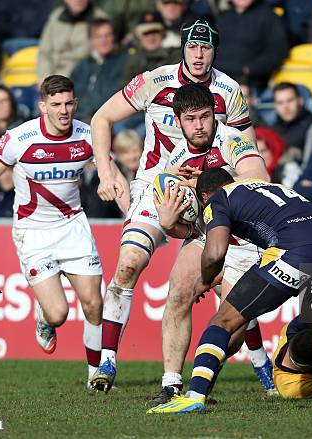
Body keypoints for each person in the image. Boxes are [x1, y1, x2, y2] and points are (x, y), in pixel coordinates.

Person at [89, 20, 256, 400]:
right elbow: (101, 118)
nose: (199, 54)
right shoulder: (154, 80)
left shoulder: (229, 91)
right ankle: (107, 362)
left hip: (210, 193)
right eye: (193, 47)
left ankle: (258, 361)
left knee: (227, 284)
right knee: (129, 262)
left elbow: (248, 152)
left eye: (206, 47)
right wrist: (105, 169)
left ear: (215, 50)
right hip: (155, 187)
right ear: (182, 48)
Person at [147, 168, 312, 414]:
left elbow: (215, 252)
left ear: (205, 196)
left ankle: (194, 396)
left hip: (295, 251)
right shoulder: (269, 186)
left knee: (222, 321)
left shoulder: (218, 199)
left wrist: (204, 281)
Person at [113, 83, 274, 402]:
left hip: (245, 243)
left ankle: (205, 377)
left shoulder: (233, 140)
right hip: (205, 237)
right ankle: (171, 385)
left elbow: (259, 181)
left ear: (215, 115)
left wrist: (203, 184)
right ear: (178, 120)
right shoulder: (177, 159)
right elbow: (181, 230)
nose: (199, 125)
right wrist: (171, 220)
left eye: (205, 116)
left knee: (232, 333)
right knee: (177, 295)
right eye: (191, 119)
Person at [0, 75, 129, 389]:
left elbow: (112, 175)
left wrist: (132, 218)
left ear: (76, 103)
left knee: (94, 304)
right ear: (42, 105)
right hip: (33, 233)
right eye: (56, 104)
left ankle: (94, 375)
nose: (63, 110)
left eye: (69, 103)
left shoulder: (87, 135)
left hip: (73, 227)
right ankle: (45, 316)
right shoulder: (20, 137)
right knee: (58, 314)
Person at [70, 18, 128, 122]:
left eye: (107, 35)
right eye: (98, 36)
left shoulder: (124, 62)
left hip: (106, 119)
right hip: (78, 117)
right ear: (91, 40)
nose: (103, 40)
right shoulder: (83, 65)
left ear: (113, 37)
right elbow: (70, 93)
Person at [37, 0, 108, 80]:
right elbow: (44, 52)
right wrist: (45, 76)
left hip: (79, 78)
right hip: (51, 77)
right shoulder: (56, 16)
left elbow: (99, 58)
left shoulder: (99, 19)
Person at [121, 11, 180, 83]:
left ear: (163, 33)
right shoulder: (133, 59)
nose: (151, 38)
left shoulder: (176, 55)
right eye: (146, 33)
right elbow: (124, 88)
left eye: (155, 32)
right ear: (139, 36)